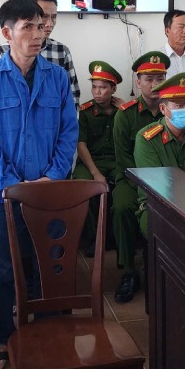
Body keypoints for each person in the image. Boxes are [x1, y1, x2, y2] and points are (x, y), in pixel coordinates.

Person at [0, 0, 78, 369]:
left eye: (41, 25)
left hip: (49, 193)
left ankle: (49, 334)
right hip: (2, 194)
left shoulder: (57, 77)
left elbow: (69, 132)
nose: (38, 33)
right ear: (7, 33)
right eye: (28, 27)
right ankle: (4, 339)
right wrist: (14, 184)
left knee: (50, 266)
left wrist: (51, 178)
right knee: (2, 269)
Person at [111, 51, 169, 304]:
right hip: (131, 178)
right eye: (148, 79)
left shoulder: (173, 110)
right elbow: (123, 158)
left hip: (167, 181)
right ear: (138, 82)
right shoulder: (125, 114)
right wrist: (144, 188)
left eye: (160, 79)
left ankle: (166, 268)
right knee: (122, 207)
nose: (154, 85)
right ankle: (129, 271)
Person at [134, 72, 185, 216]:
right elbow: (157, 190)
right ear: (163, 109)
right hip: (157, 208)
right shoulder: (147, 139)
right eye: (179, 105)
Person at [0, 0, 81, 105]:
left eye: (54, 17)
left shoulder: (61, 51)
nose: (49, 24)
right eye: (44, 16)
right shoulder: (0, 53)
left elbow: (72, 95)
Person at [72, 61, 122, 254]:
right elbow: (81, 145)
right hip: (90, 162)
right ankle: (93, 240)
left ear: (113, 89)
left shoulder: (122, 111)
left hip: (116, 162)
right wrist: (95, 173)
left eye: (103, 87)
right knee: (86, 185)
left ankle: (116, 238)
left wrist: (126, 108)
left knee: (123, 187)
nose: (97, 92)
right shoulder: (85, 112)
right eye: (94, 87)